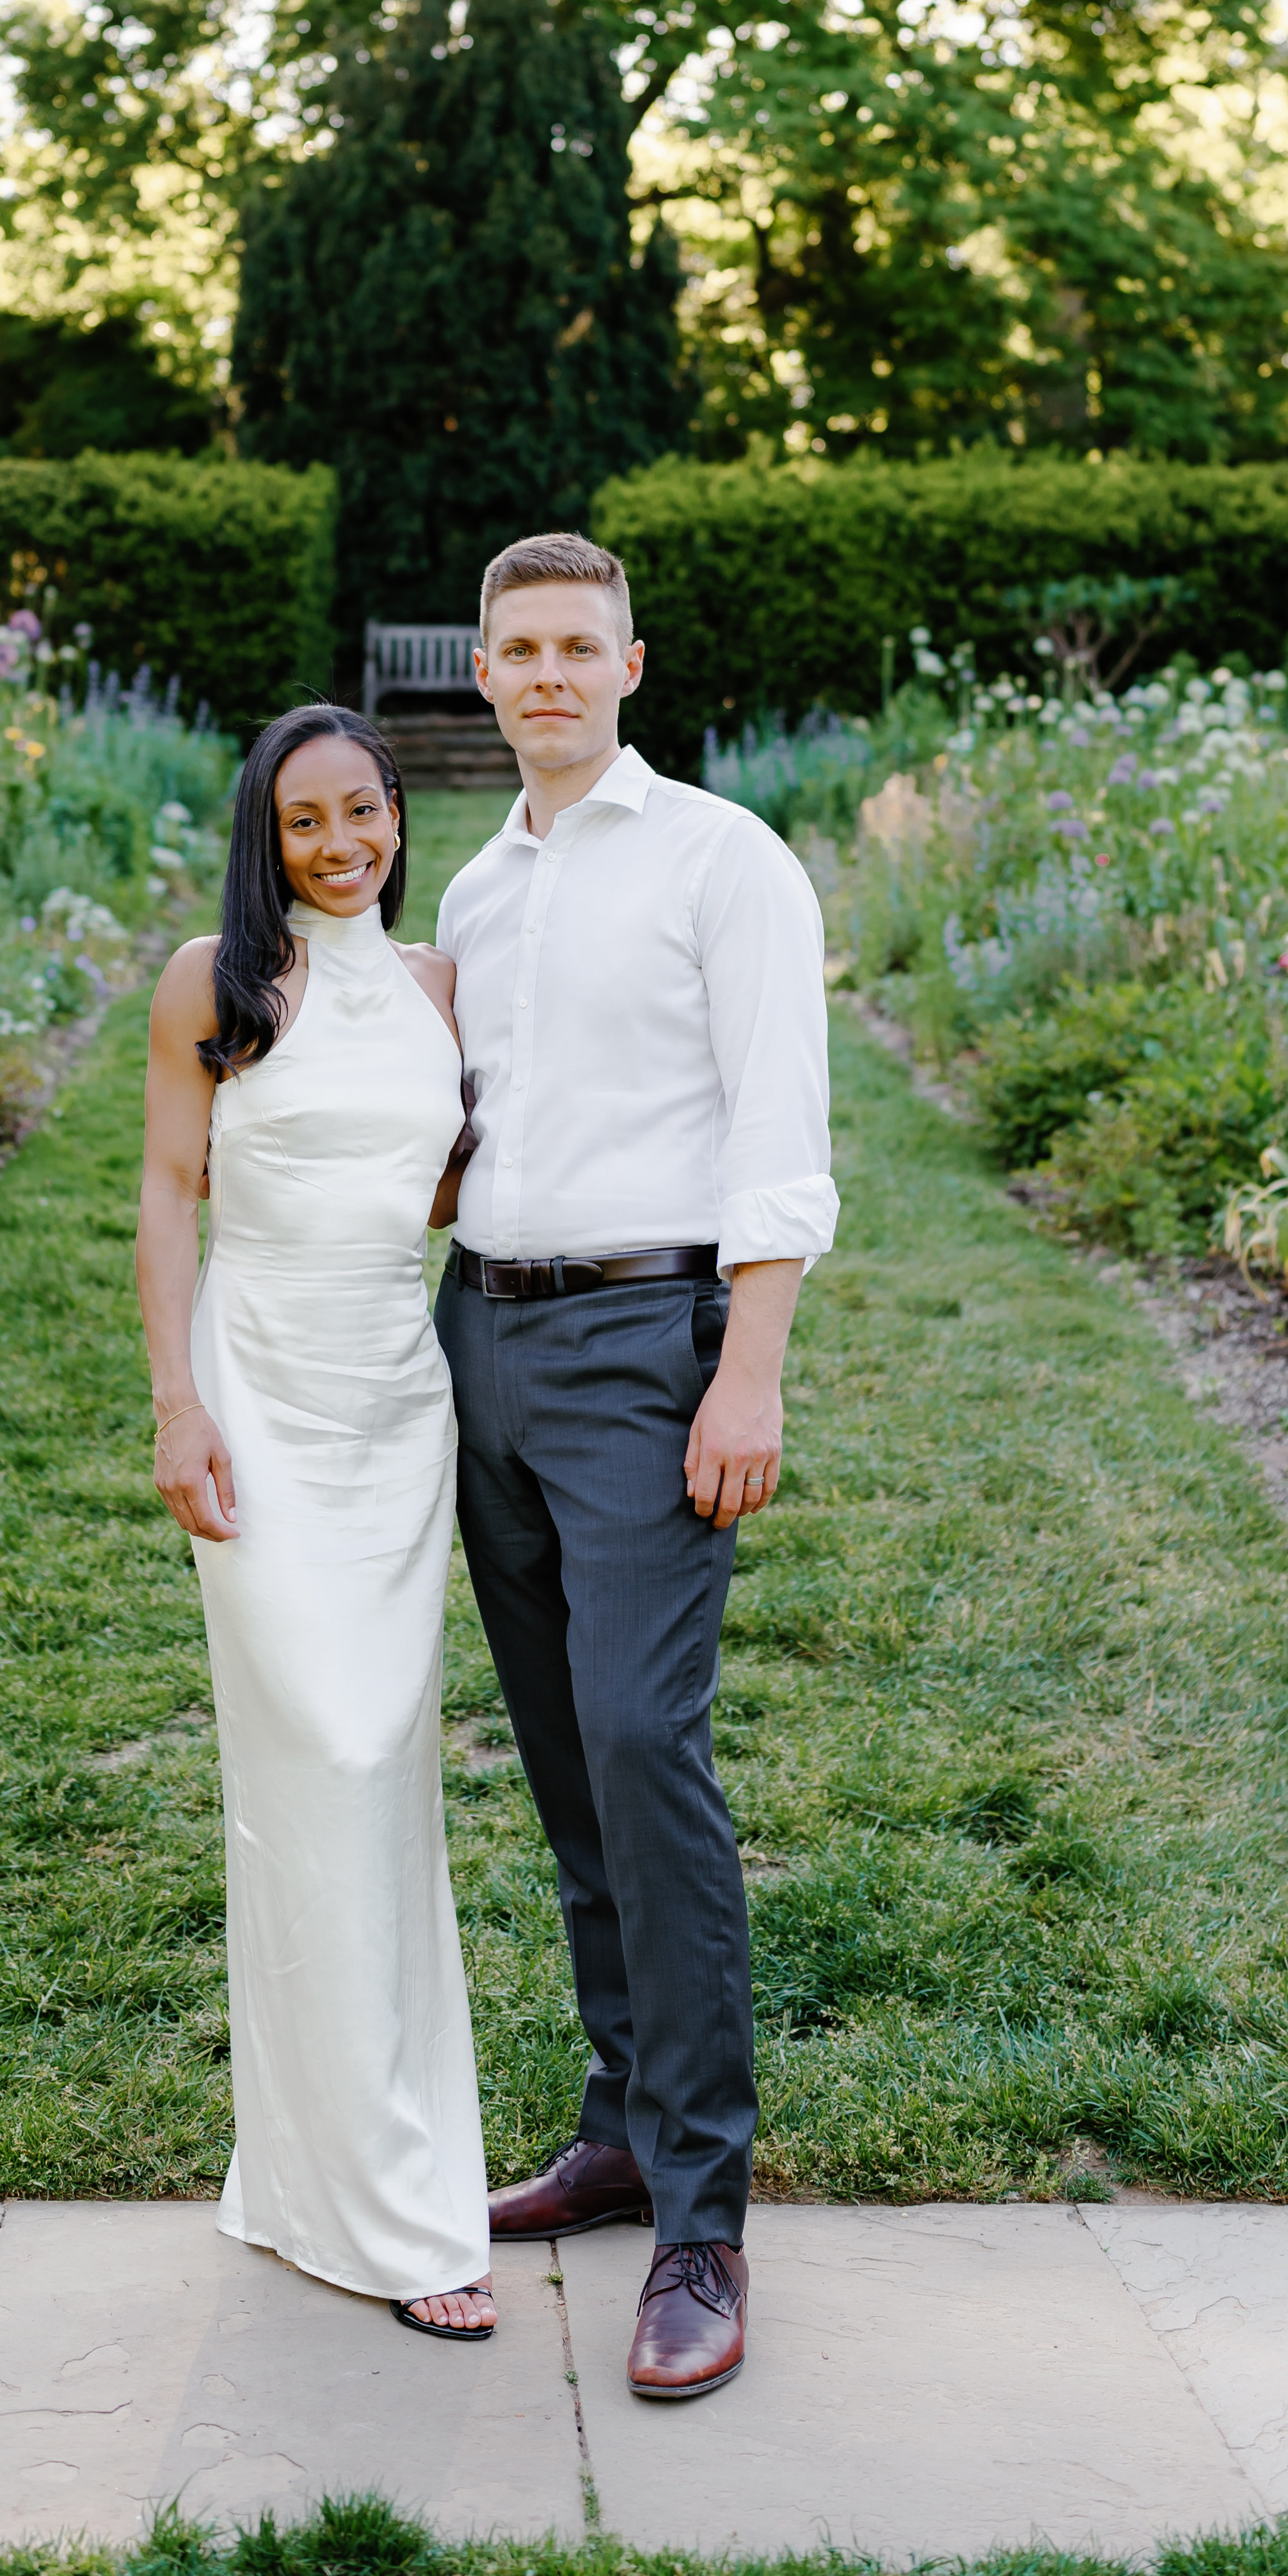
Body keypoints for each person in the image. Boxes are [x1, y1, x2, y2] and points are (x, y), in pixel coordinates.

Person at [435, 532, 836, 2403]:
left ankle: (701, 2216)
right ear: (488, 673)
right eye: (517, 649)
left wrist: (745, 1371)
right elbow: (473, 1135)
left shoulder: (720, 861)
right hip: (487, 1343)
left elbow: (778, 1132)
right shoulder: (483, 885)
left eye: (575, 647)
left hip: (645, 1349)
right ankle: (612, 2128)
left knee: (647, 1746)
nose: (544, 675)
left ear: (631, 665)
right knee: (564, 1751)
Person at [136, 704, 495, 2341]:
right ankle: (381, 2214)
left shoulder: (435, 987)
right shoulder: (215, 981)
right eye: (307, 823)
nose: (342, 845)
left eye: (364, 814)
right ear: (264, 835)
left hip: (391, 1406)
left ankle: (320, 2183)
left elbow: (432, 1184)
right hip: (262, 1389)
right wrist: (176, 1403)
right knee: (313, 1767)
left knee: (382, 1778)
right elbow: (165, 1192)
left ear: (396, 817)